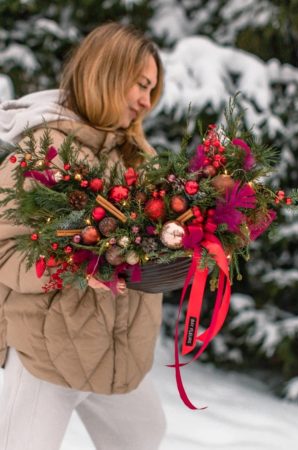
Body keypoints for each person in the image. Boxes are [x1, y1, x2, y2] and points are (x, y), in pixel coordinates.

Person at [0, 22, 166, 450]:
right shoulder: (43, 148)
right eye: (142, 85)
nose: (147, 102)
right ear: (108, 73)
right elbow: (4, 246)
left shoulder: (134, 159)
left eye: (153, 90)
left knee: (144, 434)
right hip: (45, 353)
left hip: (118, 356)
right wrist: (67, 265)